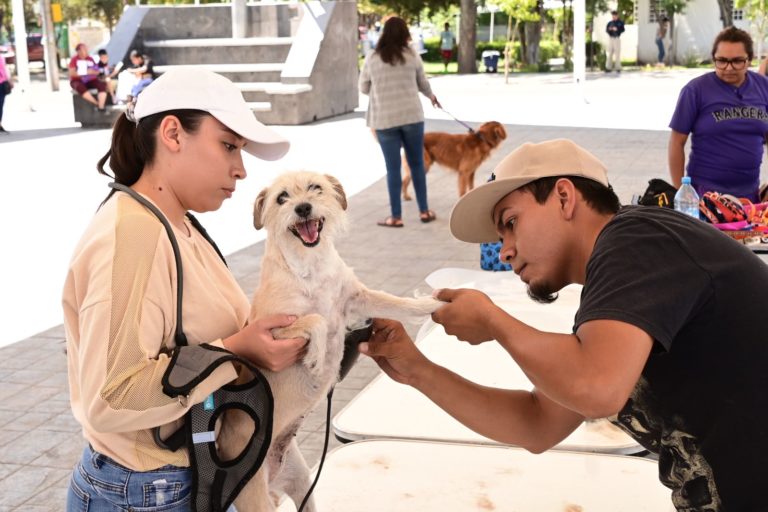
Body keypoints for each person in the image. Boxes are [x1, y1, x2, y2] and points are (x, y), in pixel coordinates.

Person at [359, 138, 768, 511]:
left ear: (563, 196)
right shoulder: (620, 280)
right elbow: (538, 423)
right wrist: (416, 369)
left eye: (511, 222)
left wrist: (493, 321)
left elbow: (597, 389)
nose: (505, 252)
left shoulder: (636, 240)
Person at [63, 67, 308, 511]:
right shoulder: (135, 235)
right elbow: (112, 396)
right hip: (142, 492)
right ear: (173, 133)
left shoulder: (176, 221)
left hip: (178, 479)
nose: (240, 169)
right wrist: (238, 352)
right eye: (229, 145)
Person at [668, 26, 768, 202]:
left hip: (750, 196)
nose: (728, 68)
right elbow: (677, 142)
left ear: (750, 60)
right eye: (721, 60)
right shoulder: (695, 90)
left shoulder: (763, 87)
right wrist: (680, 192)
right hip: (704, 195)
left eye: (737, 61)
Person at [359, 16, 441, 228]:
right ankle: (424, 211)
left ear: (384, 33)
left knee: (393, 169)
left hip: (385, 120)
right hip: (412, 118)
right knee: (416, 165)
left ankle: (396, 217)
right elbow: (422, 82)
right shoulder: (412, 55)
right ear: (405, 34)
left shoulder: (372, 57)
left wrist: (381, 91)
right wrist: (431, 96)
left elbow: (363, 87)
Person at [68, 42, 108, 110]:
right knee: (79, 87)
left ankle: (101, 106)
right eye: (84, 49)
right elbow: (72, 73)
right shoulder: (74, 60)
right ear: (79, 51)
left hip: (90, 80)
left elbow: (96, 70)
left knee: (102, 85)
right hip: (77, 80)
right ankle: (96, 103)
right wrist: (86, 72)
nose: (86, 50)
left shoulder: (90, 59)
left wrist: (95, 72)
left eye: (86, 49)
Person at [0, 51, 10, 133]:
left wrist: (9, 80)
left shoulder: (1, 57)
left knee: (1, 104)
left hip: (2, 83)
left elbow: (5, 70)